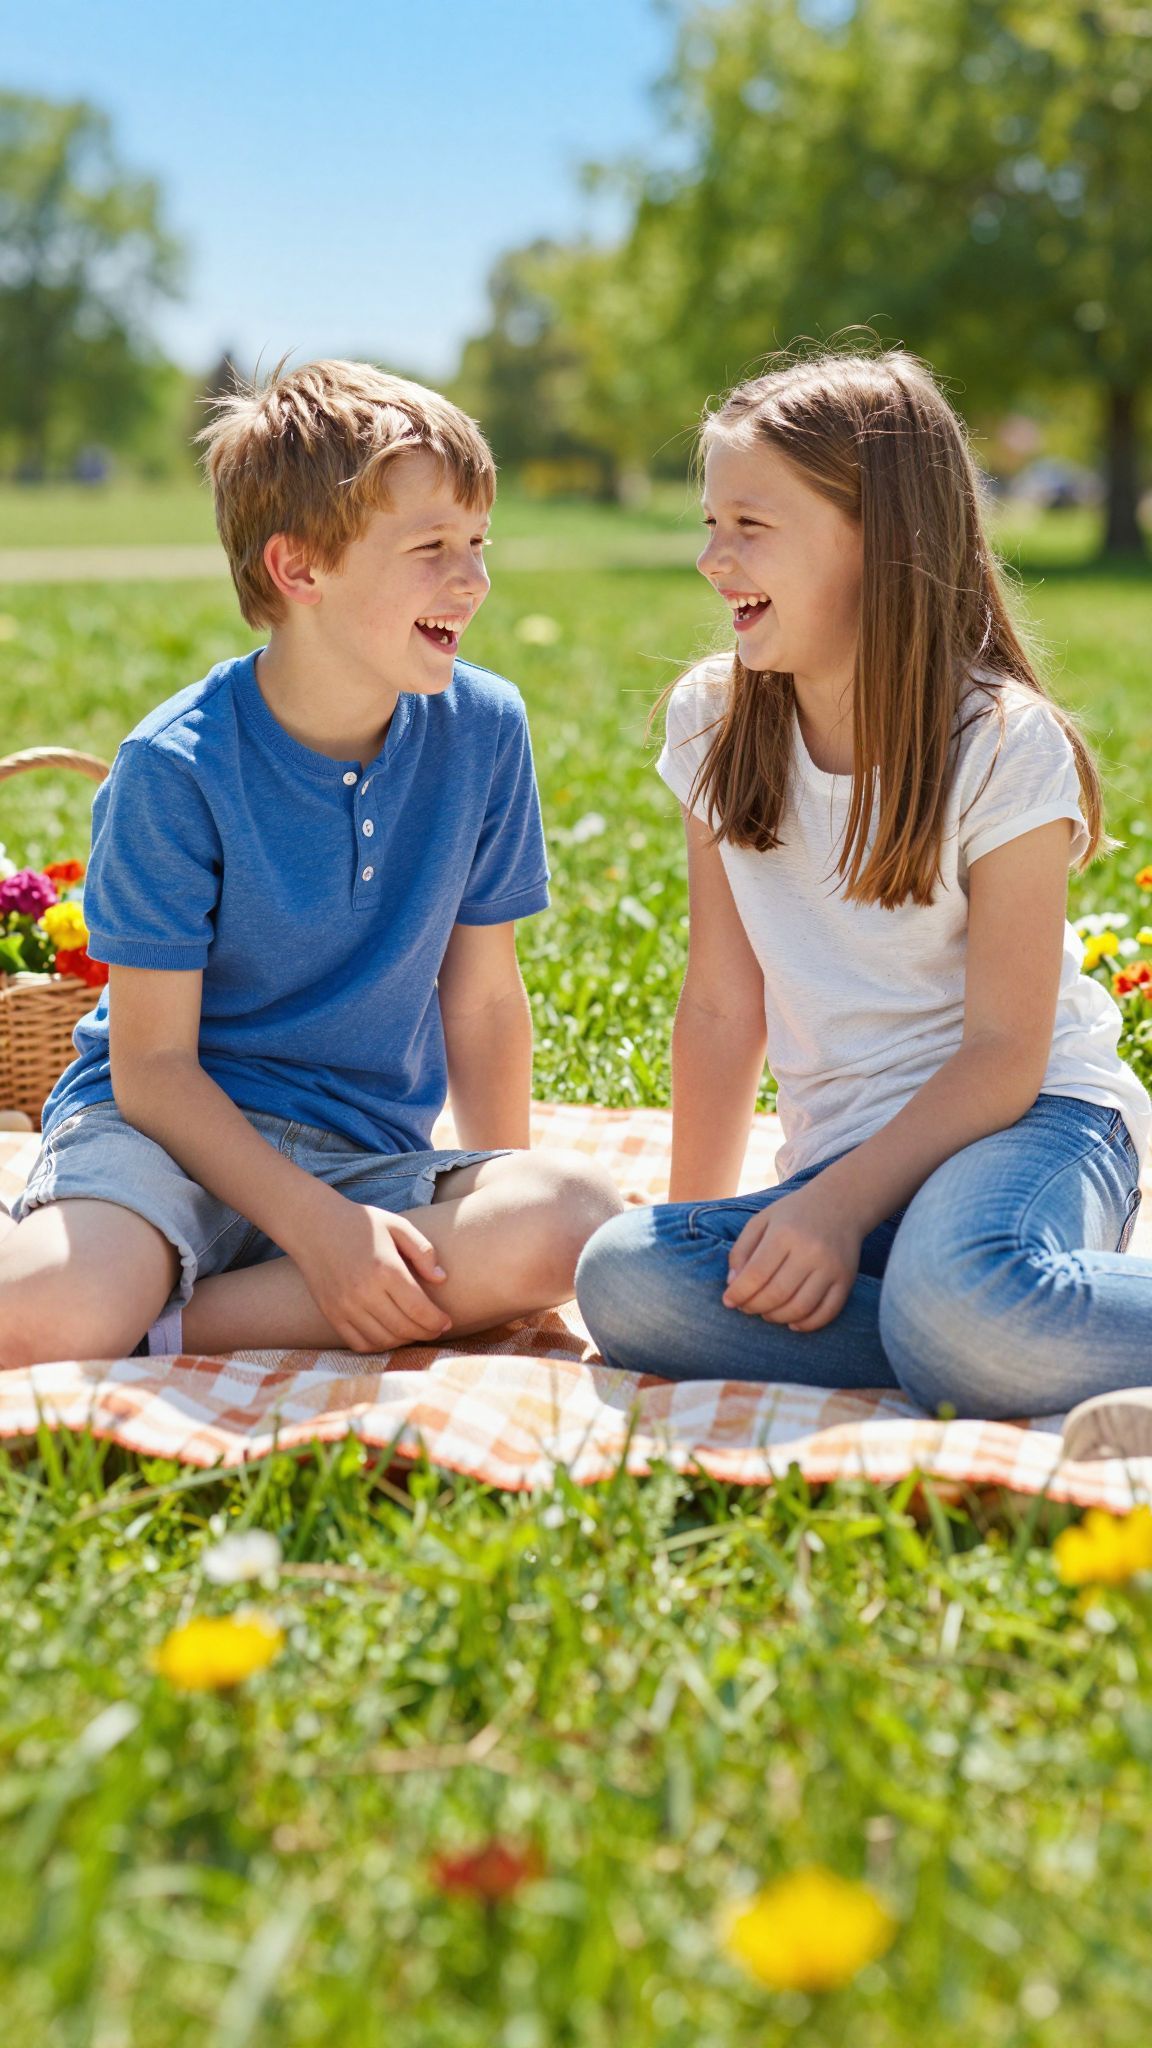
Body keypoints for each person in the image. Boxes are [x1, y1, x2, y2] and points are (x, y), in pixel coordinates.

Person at [0, 360, 621, 1367]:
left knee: (571, 1214)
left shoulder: (485, 729)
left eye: (477, 543)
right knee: (60, 1311)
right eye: (431, 549)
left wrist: (487, 1177)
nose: (473, 580)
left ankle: (174, 1324)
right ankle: (140, 1285)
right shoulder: (176, 765)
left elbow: (485, 1001)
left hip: (364, 1157)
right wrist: (324, 1237)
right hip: (164, 1140)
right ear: (299, 571)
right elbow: (153, 1071)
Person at [576, 349, 1150, 1418]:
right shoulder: (717, 719)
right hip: (846, 1166)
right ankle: (986, 1337)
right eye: (710, 522)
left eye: (750, 525)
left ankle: (977, 1326)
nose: (712, 557)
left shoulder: (1001, 743)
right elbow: (718, 1002)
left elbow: (1003, 1056)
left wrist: (836, 1210)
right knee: (624, 1276)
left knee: (964, 1300)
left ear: (877, 541)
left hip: (1033, 1123)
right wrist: (711, 1236)